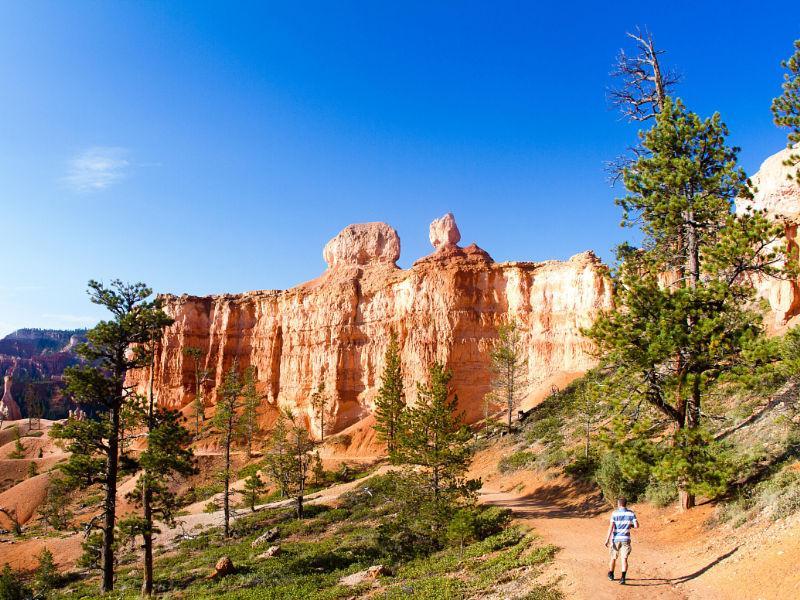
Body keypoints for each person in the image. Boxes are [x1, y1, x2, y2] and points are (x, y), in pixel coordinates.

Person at [604, 496, 638, 585]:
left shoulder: (614, 513)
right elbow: (637, 525)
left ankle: (611, 573)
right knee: (624, 559)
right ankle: (623, 578)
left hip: (616, 539)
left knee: (613, 557)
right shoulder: (631, 513)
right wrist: (630, 525)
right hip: (626, 539)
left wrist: (607, 539)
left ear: (619, 504)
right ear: (625, 504)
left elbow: (611, 527)